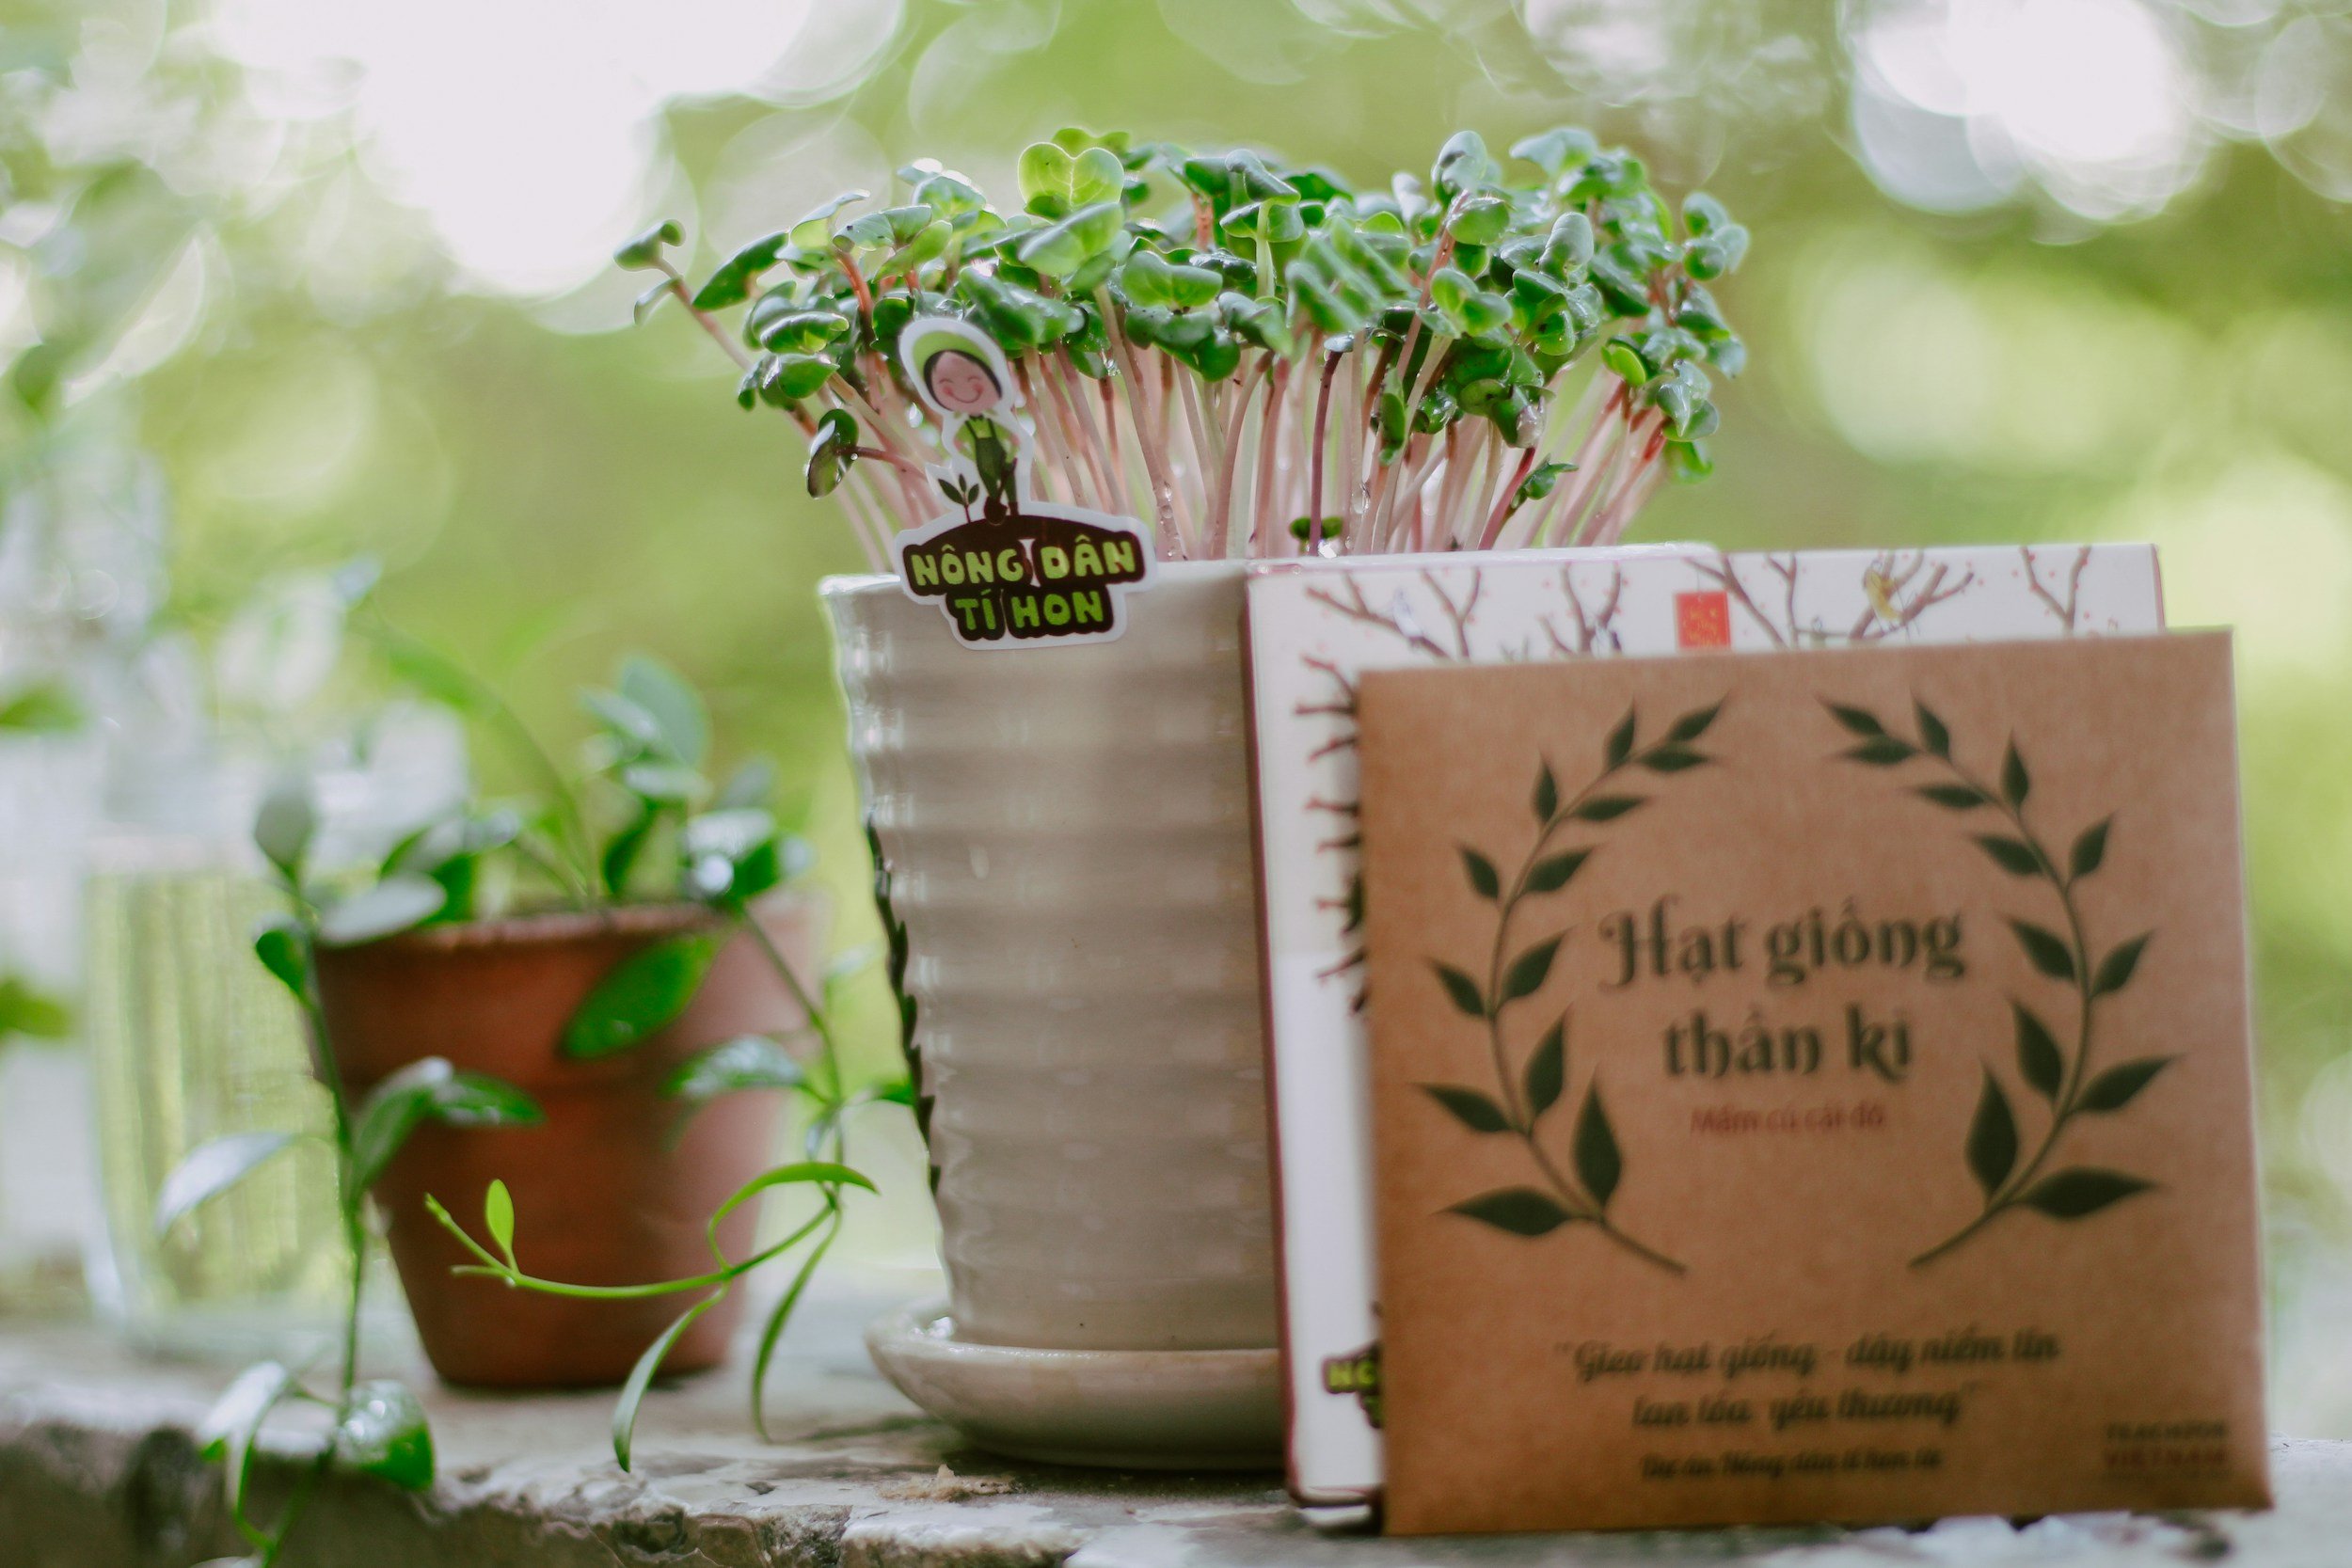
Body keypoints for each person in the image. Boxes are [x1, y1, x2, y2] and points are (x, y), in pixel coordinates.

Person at [901, 322, 1024, 520]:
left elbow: (1010, 437)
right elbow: (959, 444)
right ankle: (1002, 513)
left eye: (973, 379)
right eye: (946, 385)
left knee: (1011, 485)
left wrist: (1011, 453)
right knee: (991, 487)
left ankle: (1016, 510)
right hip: (981, 459)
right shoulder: (963, 425)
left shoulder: (993, 419)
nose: (963, 390)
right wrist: (967, 455)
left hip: (1000, 453)